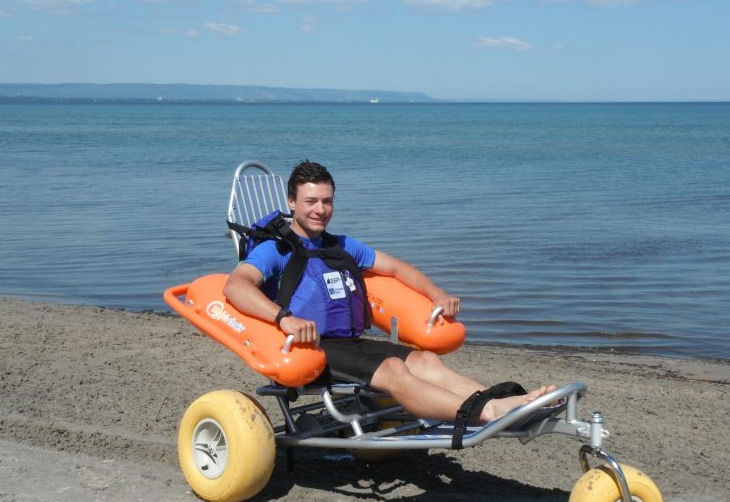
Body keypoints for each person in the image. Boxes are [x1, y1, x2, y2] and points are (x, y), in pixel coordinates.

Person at [223, 160, 555, 425]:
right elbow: (235, 286)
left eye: (327, 201)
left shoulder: (341, 246)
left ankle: (499, 401)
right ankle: (487, 414)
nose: (320, 209)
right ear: (291, 202)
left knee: (424, 360)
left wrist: (436, 294)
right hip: (312, 348)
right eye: (310, 201)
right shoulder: (275, 250)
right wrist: (284, 319)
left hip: (350, 343)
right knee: (395, 371)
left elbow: (397, 267)